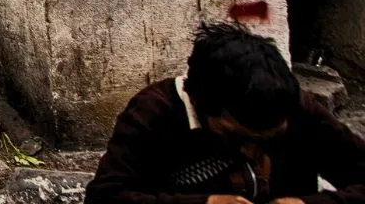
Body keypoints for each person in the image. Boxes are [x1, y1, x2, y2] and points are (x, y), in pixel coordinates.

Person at [87, 22, 365, 204]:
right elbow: (106, 197)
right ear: (201, 105)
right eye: (238, 136)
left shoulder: (290, 106)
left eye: (268, 139)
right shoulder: (155, 112)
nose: (252, 150)